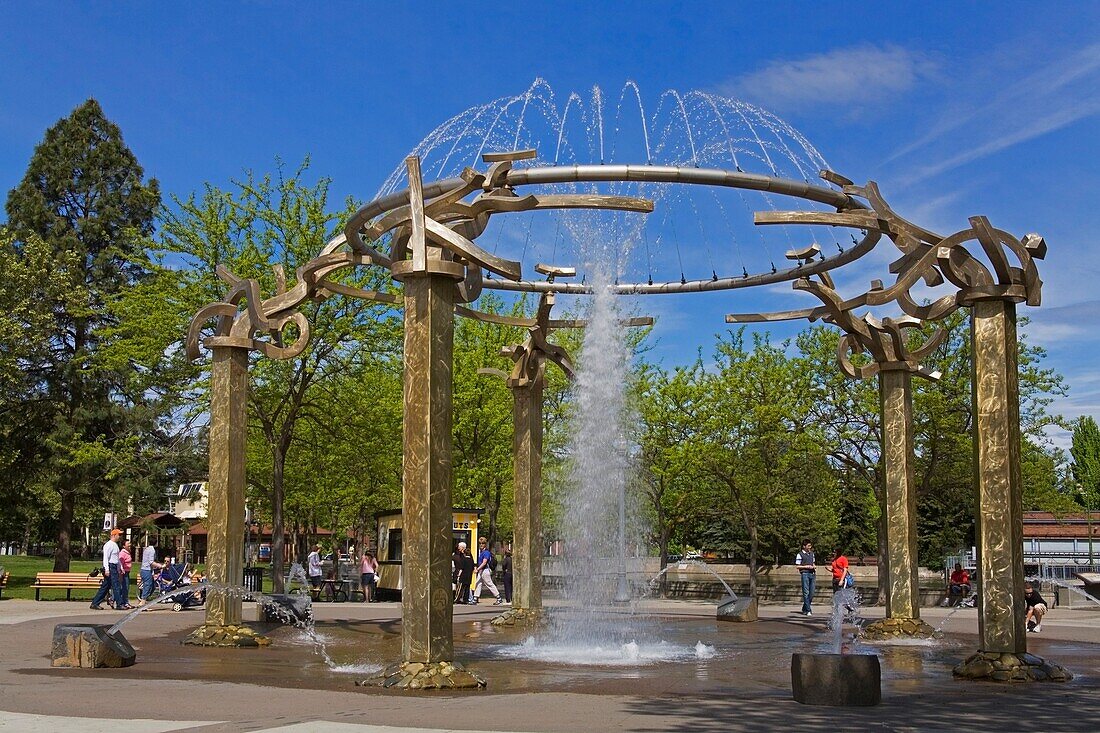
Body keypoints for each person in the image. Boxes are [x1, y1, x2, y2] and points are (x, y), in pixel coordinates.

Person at [90, 529, 122, 611]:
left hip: (114, 566)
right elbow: (106, 558)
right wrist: (107, 569)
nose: (120, 536)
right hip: (110, 567)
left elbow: (117, 558)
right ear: (114, 535)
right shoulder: (109, 545)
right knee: (116, 585)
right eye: (119, 535)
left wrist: (120, 567)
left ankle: (95, 603)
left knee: (106, 586)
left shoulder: (115, 545)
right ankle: (119, 604)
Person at [472, 537, 504, 605]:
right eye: (480, 543)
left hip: (485, 570)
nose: (481, 545)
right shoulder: (481, 552)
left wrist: (477, 569)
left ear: (485, 544)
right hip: (481, 570)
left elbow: (484, 562)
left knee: (489, 584)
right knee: (478, 584)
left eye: (483, 543)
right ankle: (475, 598)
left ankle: (499, 598)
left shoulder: (486, 552)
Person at [138, 537, 165, 605]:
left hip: (145, 570)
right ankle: (142, 602)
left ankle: (143, 600)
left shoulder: (146, 549)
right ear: (156, 543)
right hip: (146, 570)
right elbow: (151, 562)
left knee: (152, 586)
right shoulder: (152, 550)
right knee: (148, 586)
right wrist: (160, 566)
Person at [794, 539, 816, 616]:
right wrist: (805, 566)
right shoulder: (800, 554)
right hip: (805, 574)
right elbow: (797, 566)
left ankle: (805, 608)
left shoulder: (812, 554)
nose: (810, 547)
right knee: (806, 592)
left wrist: (813, 566)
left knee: (812, 592)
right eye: (808, 546)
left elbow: (813, 562)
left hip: (812, 574)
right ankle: (808, 610)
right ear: (804, 546)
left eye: (810, 545)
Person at [117, 540, 134, 609]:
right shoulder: (122, 553)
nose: (130, 545)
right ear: (124, 546)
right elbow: (120, 562)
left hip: (127, 572)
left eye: (130, 543)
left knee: (124, 588)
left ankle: (122, 601)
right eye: (128, 544)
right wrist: (121, 571)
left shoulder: (127, 553)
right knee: (125, 588)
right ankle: (125, 602)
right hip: (124, 572)